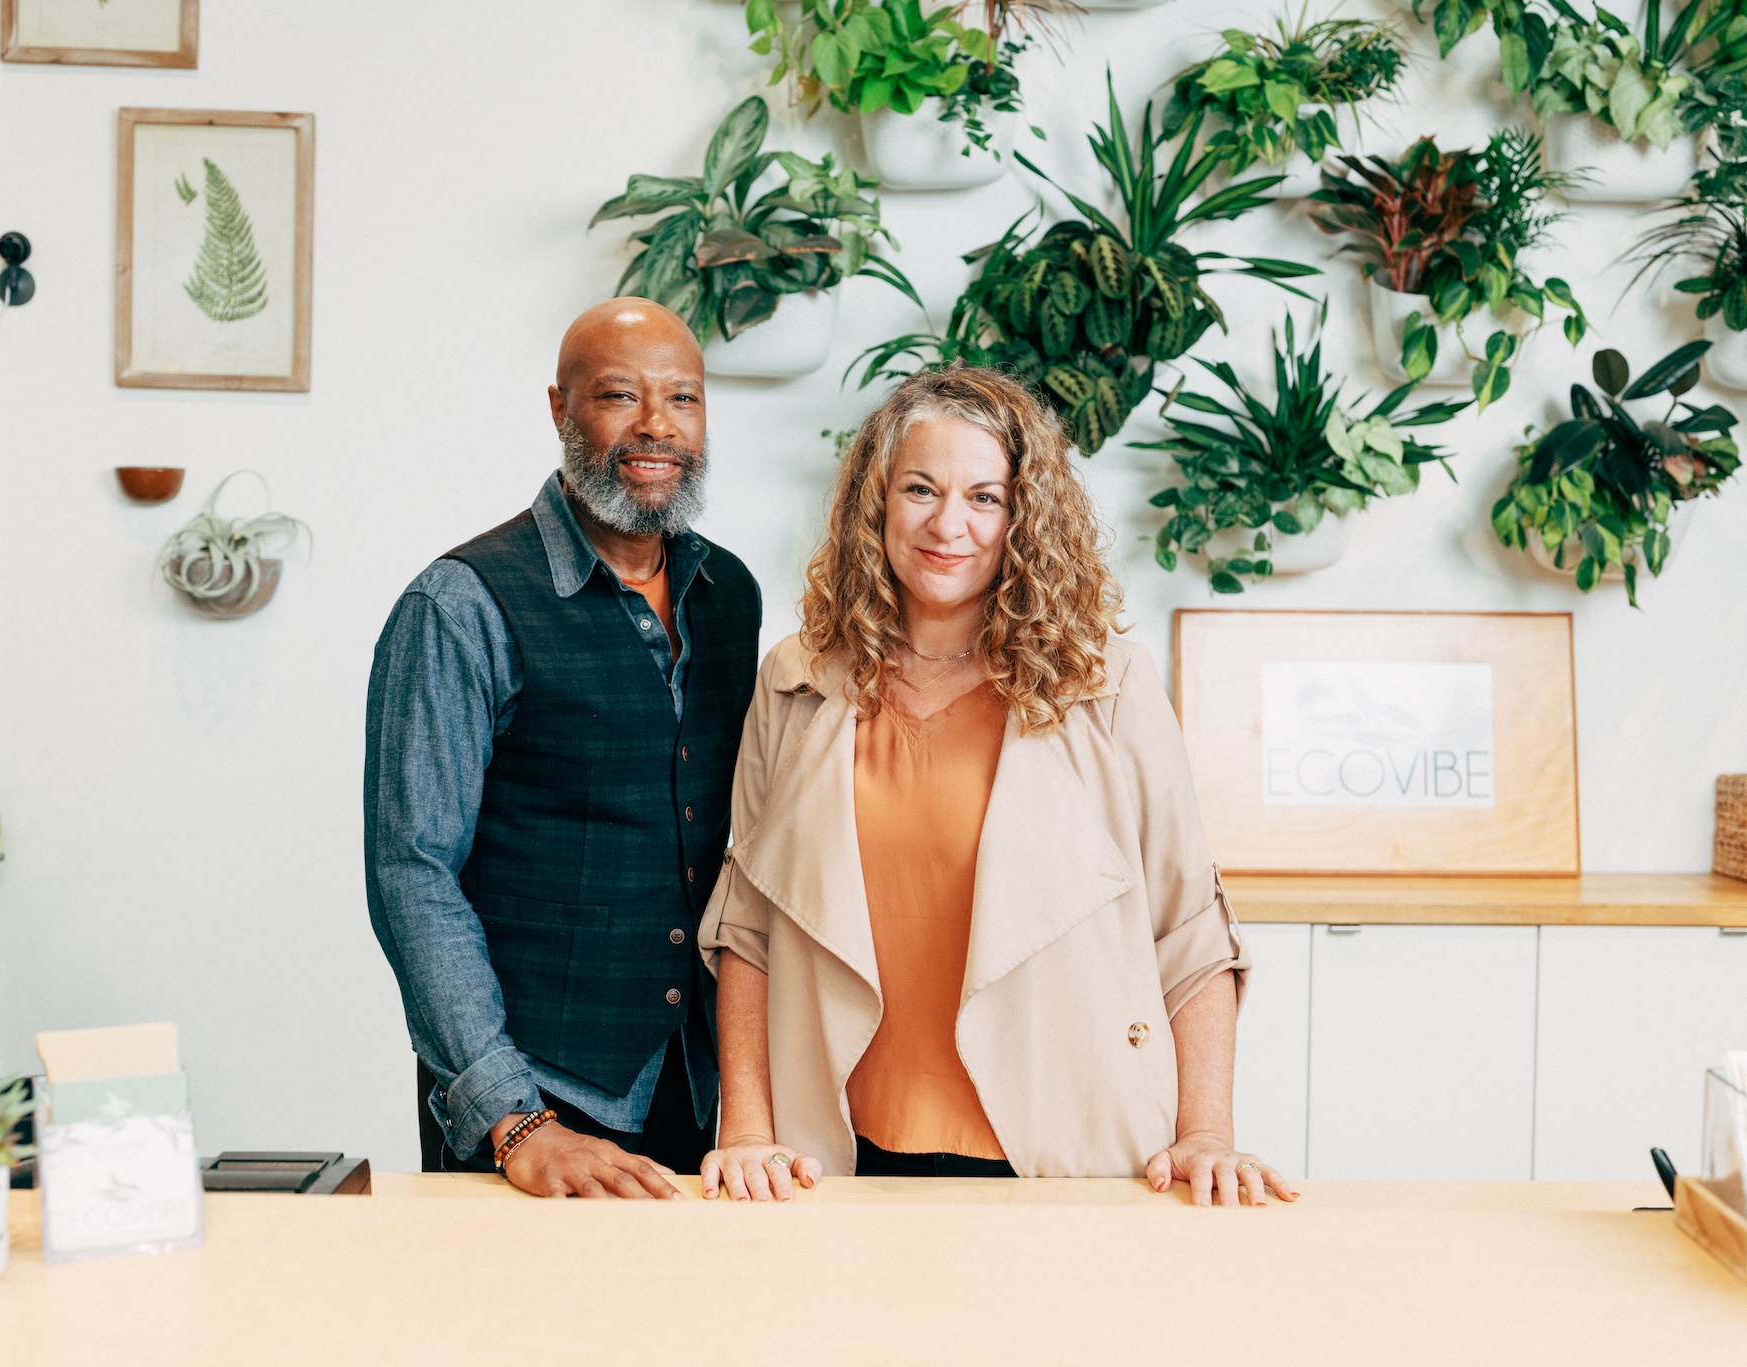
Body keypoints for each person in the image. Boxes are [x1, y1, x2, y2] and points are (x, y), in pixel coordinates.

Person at [697, 367, 1295, 1205]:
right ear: (875, 500)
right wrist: (748, 1130)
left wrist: (1206, 1133)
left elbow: (1190, 931)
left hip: (1068, 1158)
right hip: (833, 1159)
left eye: (986, 497)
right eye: (921, 488)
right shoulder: (796, 684)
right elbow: (747, 930)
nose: (950, 524)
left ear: (1024, 518)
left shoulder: (1107, 686)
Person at [365, 298, 761, 1198]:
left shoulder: (728, 593)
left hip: (697, 1092)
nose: (658, 425)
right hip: (534, 1097)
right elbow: (411, 871)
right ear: (559, 408)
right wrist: (516, 1119)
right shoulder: (459, 604)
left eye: (684, 399)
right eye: (620, 395)